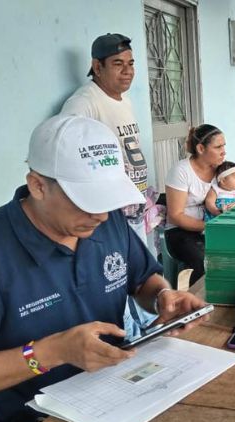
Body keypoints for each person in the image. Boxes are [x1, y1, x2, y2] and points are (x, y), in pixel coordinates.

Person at [0, 115, 206, 422]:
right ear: (38, 186)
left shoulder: (106, 220)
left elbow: (143, 280)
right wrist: (54, 352)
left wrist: (162, 299)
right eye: (87, 201)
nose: (101, 215)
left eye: (107, 199)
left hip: (119, 390)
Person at [60, 33, 155, 336]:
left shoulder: (124, 99)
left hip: (134, 205)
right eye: (117, 64)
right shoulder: (83, 103)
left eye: (130, 63)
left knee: (142, 276)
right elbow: (66, 148)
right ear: (96, 66)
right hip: (108, 213)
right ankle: (128, 339)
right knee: (116, 280)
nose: (127, 70)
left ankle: (151, 334)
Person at [164, 124, 226, 286]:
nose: (223, 151)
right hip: (181, 232)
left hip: (213, 227)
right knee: (203, 260)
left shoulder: (223, 169)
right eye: (218, 147)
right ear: (200, 148)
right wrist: (207, 226)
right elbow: (175, 215)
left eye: (224, 146)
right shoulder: (181, 171)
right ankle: (196, 303)